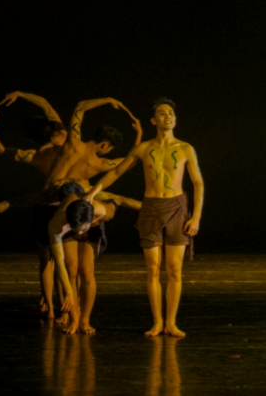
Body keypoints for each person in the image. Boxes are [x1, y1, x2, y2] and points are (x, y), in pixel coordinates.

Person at [86, 98, 204, 338]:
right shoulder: (143, 149)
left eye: (171, 113)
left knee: (174, 269)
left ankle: (171, 322)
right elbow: (117, 171)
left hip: (176, 207)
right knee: (153, 269)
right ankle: (157, 322)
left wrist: (196, 217)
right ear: (153, 120)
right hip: (151, 208)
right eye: (162, 113)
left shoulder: (185, 148)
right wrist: (93, 191)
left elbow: (198, 183)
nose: (168, 116)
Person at [0, 184, 140, 329]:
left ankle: (85, 320)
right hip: (68, 227)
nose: (79, 233)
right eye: (76, 229)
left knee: (86, 270)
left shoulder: (105, 211)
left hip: (93, 226)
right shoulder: (56, 223)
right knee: (71, 269)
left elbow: (122, 200)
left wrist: (154, 212)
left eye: (82, 229)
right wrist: (68, 292)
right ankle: (74, 320)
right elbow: (59, 263)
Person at [45, 97, 143, 190]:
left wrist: (109, 100)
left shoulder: (73, 141)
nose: (107, 152)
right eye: (110, 149)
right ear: (105, 145)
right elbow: (131, 161)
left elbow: (80, 107)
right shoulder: (99, 164)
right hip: (60, 199)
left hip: (44, 194)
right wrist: (139, 132)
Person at [0, 91, 67, 174]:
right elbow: (45, 104)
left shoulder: (35, 157)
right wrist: (19, 94)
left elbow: (3, 151)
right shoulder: (61, 134)